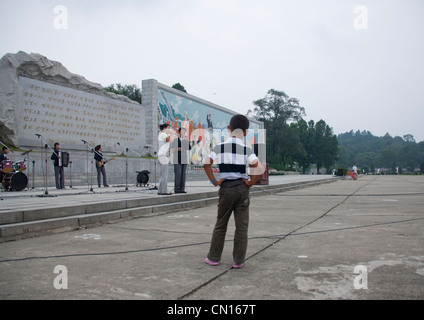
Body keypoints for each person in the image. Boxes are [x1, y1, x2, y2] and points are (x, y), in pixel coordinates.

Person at [203, 114, 262, 269]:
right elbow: (259, 168)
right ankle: (238, 260)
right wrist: (250, 183)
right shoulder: (246, 149)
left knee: (221, 224)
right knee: (241, 227)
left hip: (226, 188)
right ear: (246, 132)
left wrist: (214, 181)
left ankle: (214, 257)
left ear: (229, 129)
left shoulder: (220, 147)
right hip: (242, 189)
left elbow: (206, 164)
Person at [172, 127, 191, 193]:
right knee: (178, 174)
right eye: (181, 132)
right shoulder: (175, 140)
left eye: (184, 132)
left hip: (184, 159)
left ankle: (182, 189)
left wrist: (187, 141)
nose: (183, 133)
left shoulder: (185, 140)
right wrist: (178, 149)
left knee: (183, 175)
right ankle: (177, 189)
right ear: (179, 132)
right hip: (177, 159)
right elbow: (172, 148)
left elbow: (189, 148)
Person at [157, 123, 175, 195]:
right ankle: (163, 190)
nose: (169, 129)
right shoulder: (163, 134)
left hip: (164, 156)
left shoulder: (162, 134)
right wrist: (172, 134)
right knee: (164, 174)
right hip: (163, 156)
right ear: (164, 128)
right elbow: (169, 140)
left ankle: (161, 190)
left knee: (163, 174)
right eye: (168, 127)